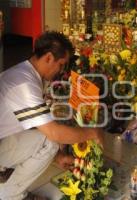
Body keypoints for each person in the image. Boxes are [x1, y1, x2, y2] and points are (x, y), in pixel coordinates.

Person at [0, 31, 104, 200]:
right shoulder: (25, 84)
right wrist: (93, 132)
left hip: (4, 137)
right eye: (62, 64)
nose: (61, 70)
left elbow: (36, 125)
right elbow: (54, 133)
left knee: (49, 143)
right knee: (51, 139)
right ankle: (9, 196)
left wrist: (58, 157)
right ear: (49, 58)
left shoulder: (25, 72)